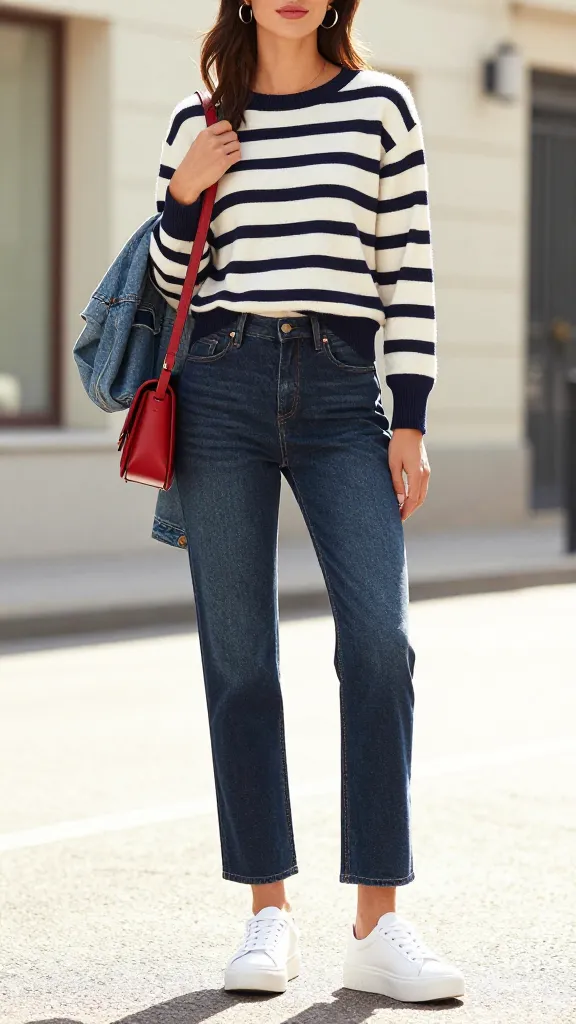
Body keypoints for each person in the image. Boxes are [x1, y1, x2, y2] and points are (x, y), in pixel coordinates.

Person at [148, 0, 464, 1003]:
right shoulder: (199, 120)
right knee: (239, 656)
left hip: (340, 394)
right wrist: (181, 197)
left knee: (381, 642)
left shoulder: (382, 108)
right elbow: (169, 287)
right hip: (221, 381)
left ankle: (378, 921)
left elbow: (406, 270)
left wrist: (409, 414)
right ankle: (267, 911)